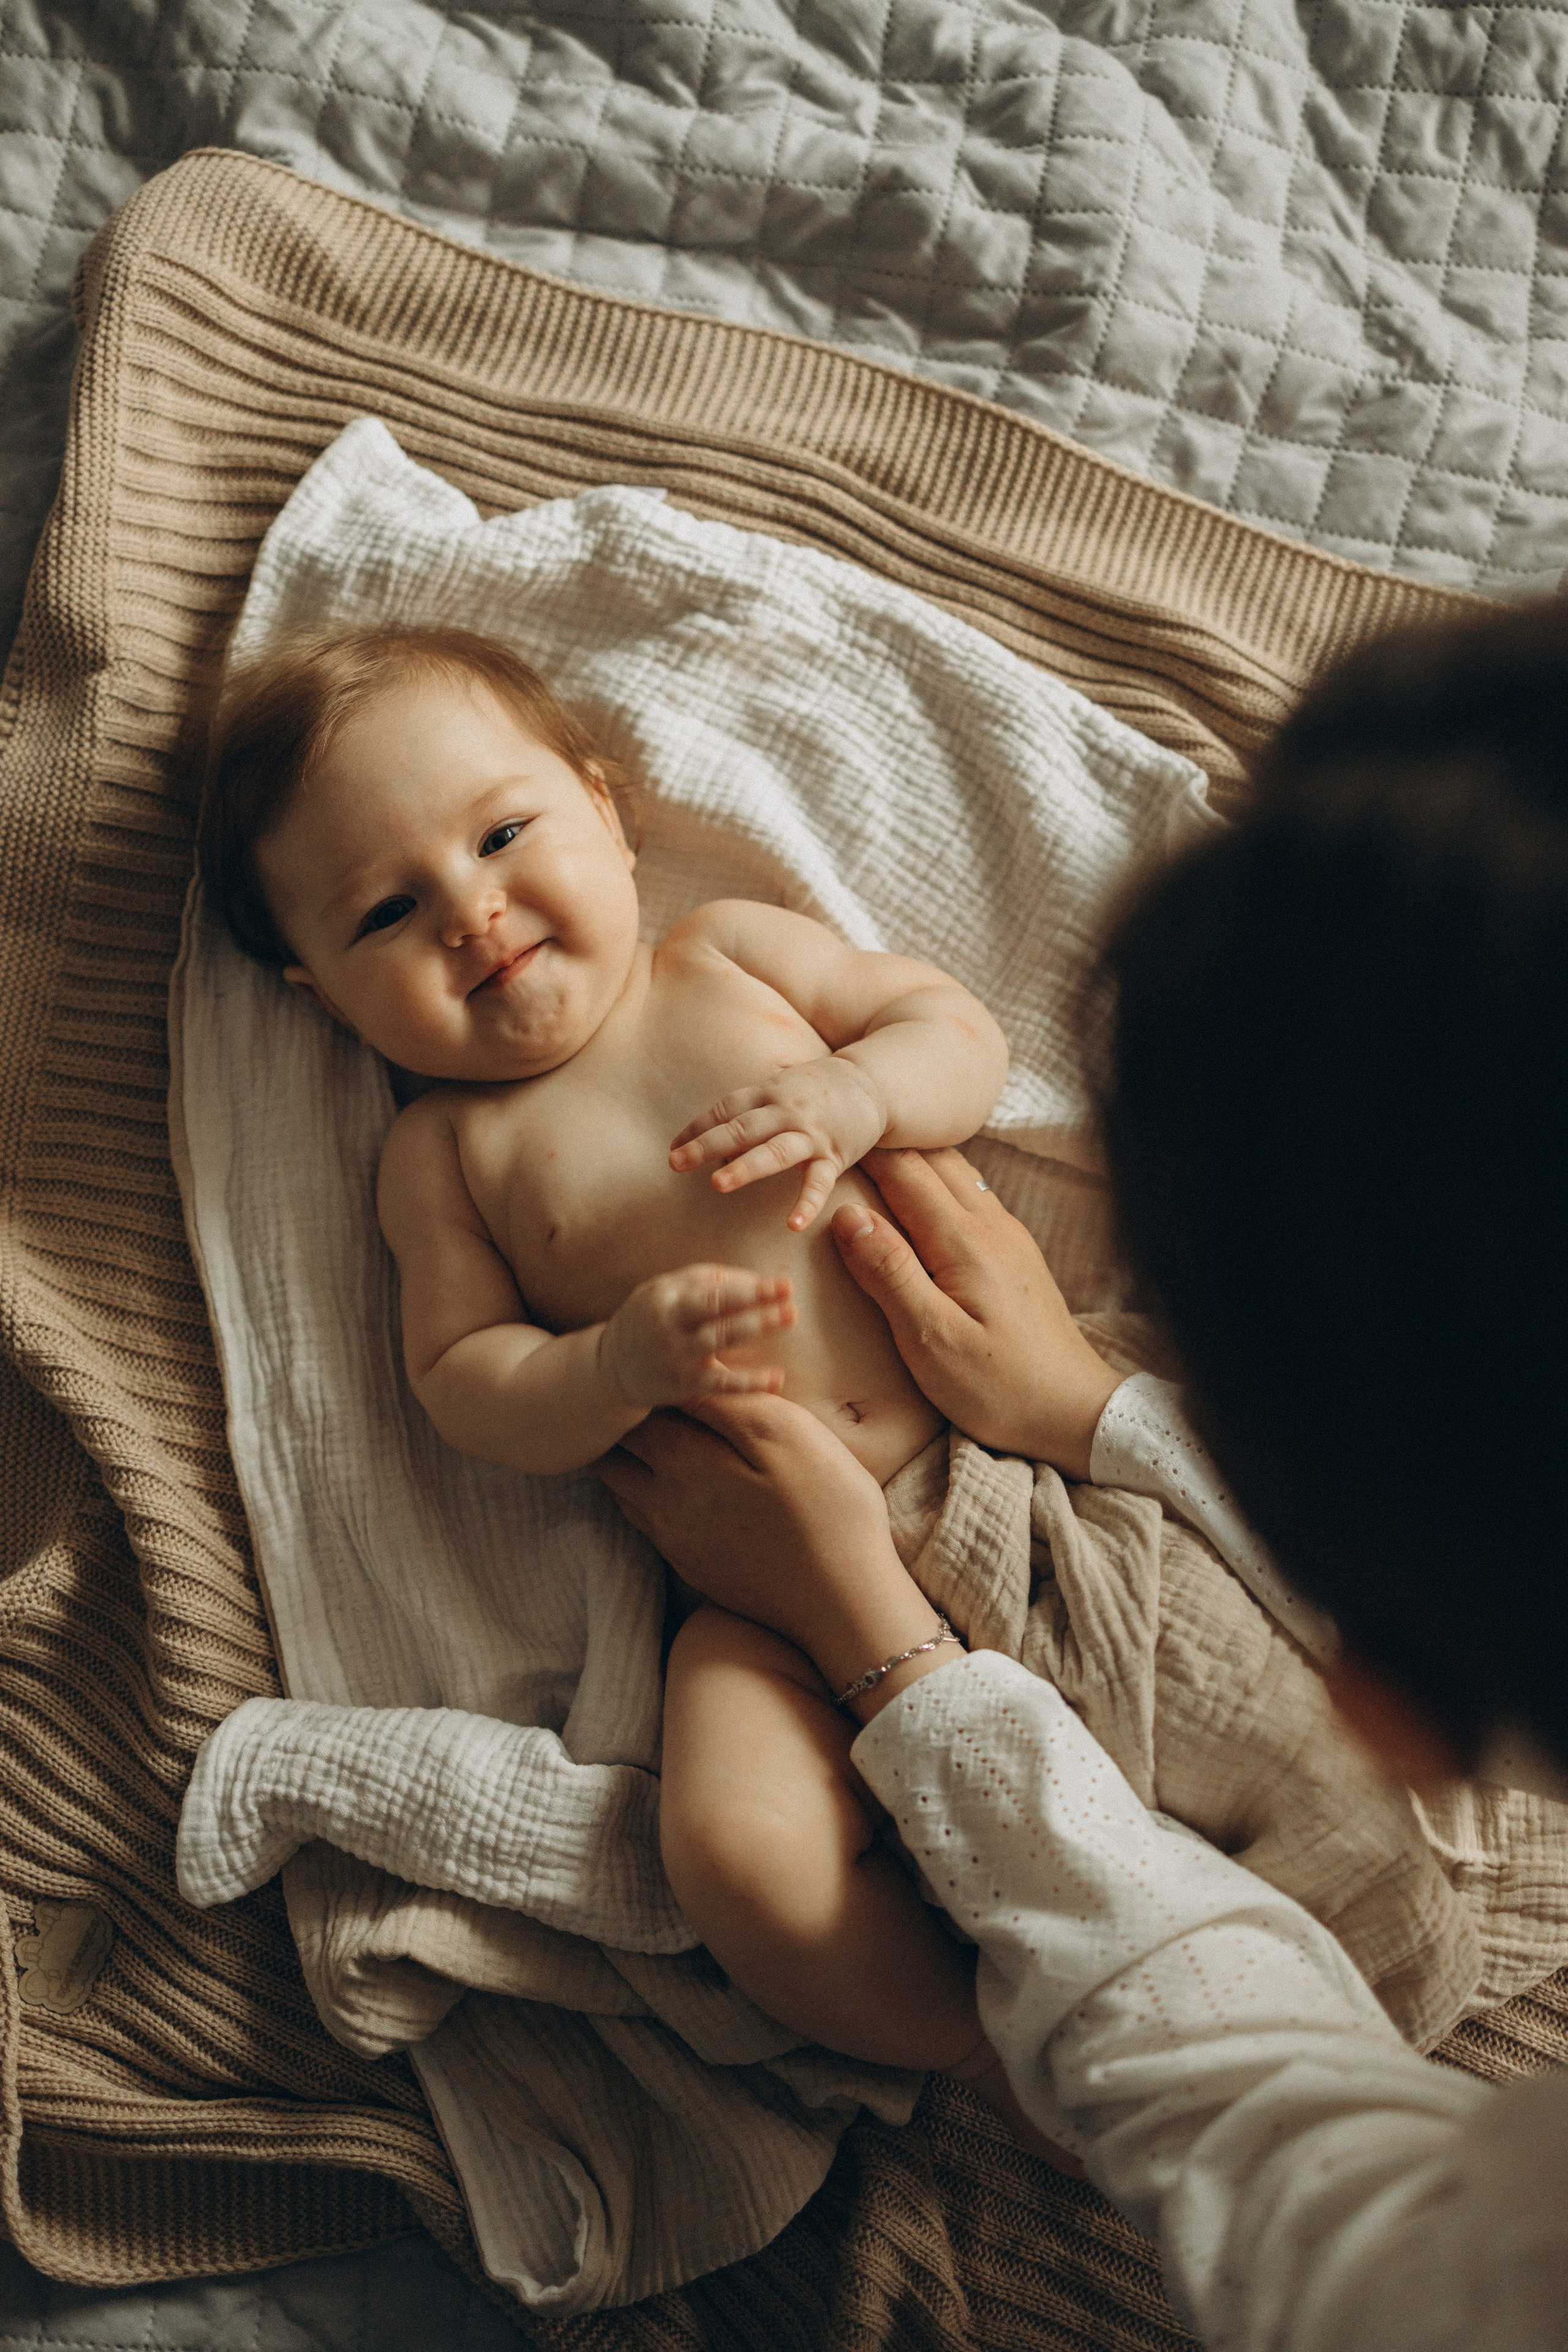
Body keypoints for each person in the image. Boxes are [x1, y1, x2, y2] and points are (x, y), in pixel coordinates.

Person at [597, 600, 1568, 2351]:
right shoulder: (445, 1159)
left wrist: (875, 1627)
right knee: (746, 1854)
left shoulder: (1471, 2282)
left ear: (1388, 1705)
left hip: (878, 1570)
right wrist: (1086, 1408)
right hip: (912, 1515)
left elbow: (1282, 2166)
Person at [200, 620, 1078, 2116]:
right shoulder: (448, 1154)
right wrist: (610, 1363)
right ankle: (986, 2061)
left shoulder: (727, 955)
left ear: (604, 810)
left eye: (500, 834)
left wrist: (858, 1091)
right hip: (755, 1603)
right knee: (733, 1857)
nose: (472, 913)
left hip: (1004, 1449)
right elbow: (465, 1381)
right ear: (315, 996)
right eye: (388, 911)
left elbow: (954, 1029)